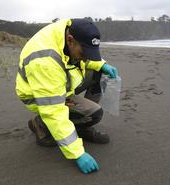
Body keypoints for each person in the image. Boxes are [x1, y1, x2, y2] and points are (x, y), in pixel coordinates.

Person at [15, 19, 118, 174]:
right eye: (84, 53)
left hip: (62, 83)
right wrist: (78, 154)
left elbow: (85, 57)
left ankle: (78, 122)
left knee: (99, 72)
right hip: (39, 96)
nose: (85, 58)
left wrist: (101, 65)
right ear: (70, 41)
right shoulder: (44, 61)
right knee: (95, 114)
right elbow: (53, 111)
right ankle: (40, 124)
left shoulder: (70, 31)